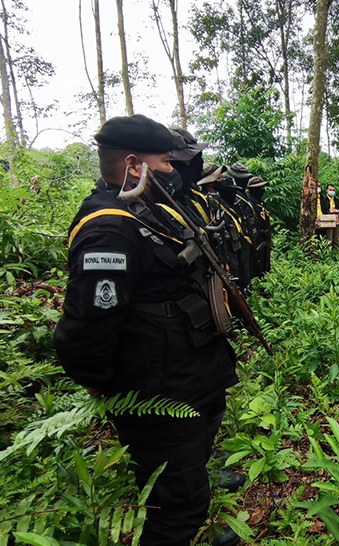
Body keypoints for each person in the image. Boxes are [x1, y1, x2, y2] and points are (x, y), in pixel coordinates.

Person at [52, 115, 239, 546]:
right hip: (158, 389)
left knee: (191, 467)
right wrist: (104, 386)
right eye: (165, 162)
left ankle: (195, 523)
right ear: (134, 165)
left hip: (191, 373)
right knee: (175, 505)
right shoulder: (109, 228)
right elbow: (86, 328)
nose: (174, 171)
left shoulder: (151, 209)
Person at [247, 176, 272, 275]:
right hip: (256, 241)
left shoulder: (261, 203)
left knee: (265, 266)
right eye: (260, 188)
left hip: (264, 240)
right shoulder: (249, 204)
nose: (263, 190)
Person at [319, 183, 339, 249]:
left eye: (333, 190)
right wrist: (330, 212)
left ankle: (336, 253)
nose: (332, 191)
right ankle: (328, 253)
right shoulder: (323, 200)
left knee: (336, 238)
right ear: (327, 190)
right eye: (330, 190)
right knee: (329, 238)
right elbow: (323, 210)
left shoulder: (337, 200)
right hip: (328, 221)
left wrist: (338, 212)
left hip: (336, 221)